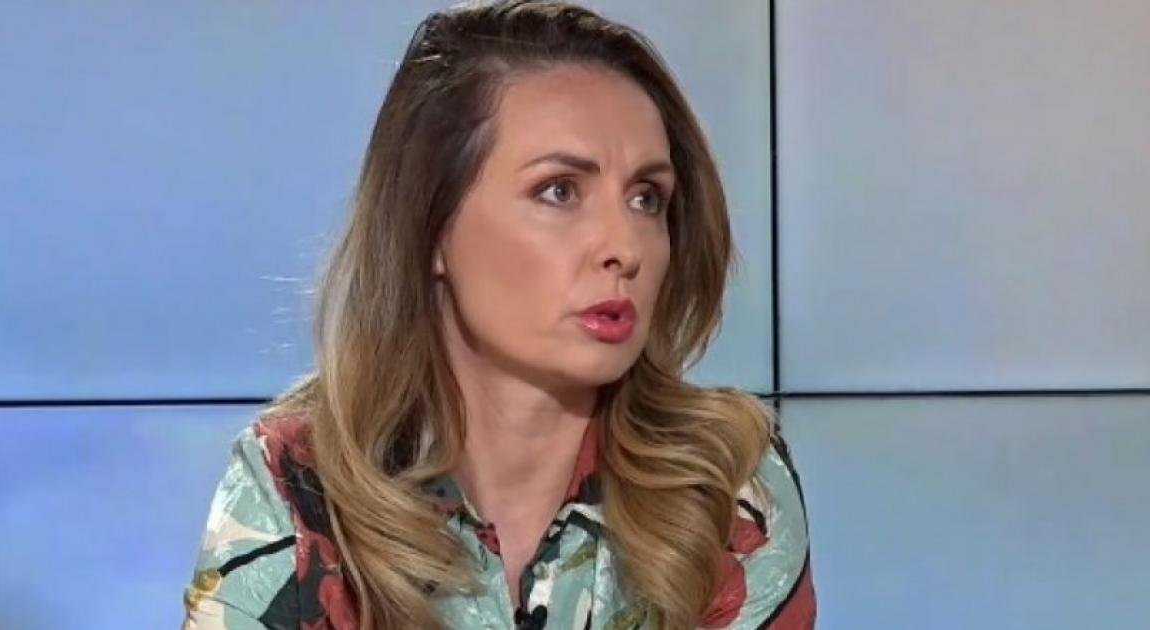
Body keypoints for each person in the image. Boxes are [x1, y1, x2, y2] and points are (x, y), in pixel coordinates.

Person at [181, 1, 815, 628]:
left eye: (646, 198)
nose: (625, 247)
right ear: (431, 227)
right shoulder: (297, 481)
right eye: (559, 191)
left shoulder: (723, 479)